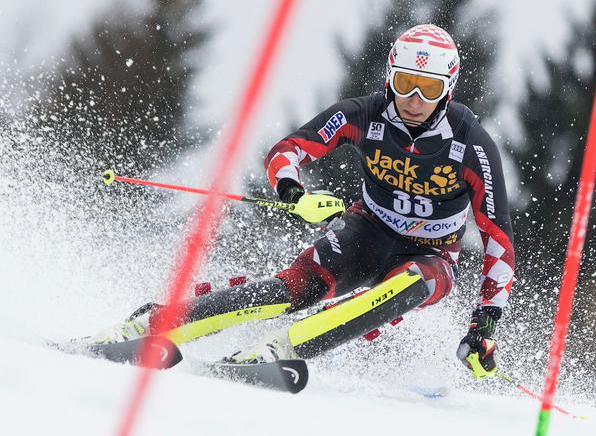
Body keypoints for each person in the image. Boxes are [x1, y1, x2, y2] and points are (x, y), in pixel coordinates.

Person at [94, 24, 515, 380]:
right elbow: (287, 151)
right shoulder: (364, 114)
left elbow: (499, 239)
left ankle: (280, 349)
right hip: (366, 231)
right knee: (290, 289)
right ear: (390, 77)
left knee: (411, 284)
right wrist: (295, 194)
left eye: (429, 88)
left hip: (432, 253)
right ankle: (152, 324)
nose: (415, 100)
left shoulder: (470, 143)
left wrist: (485, 324)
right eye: (406, 84)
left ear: (449, 89)